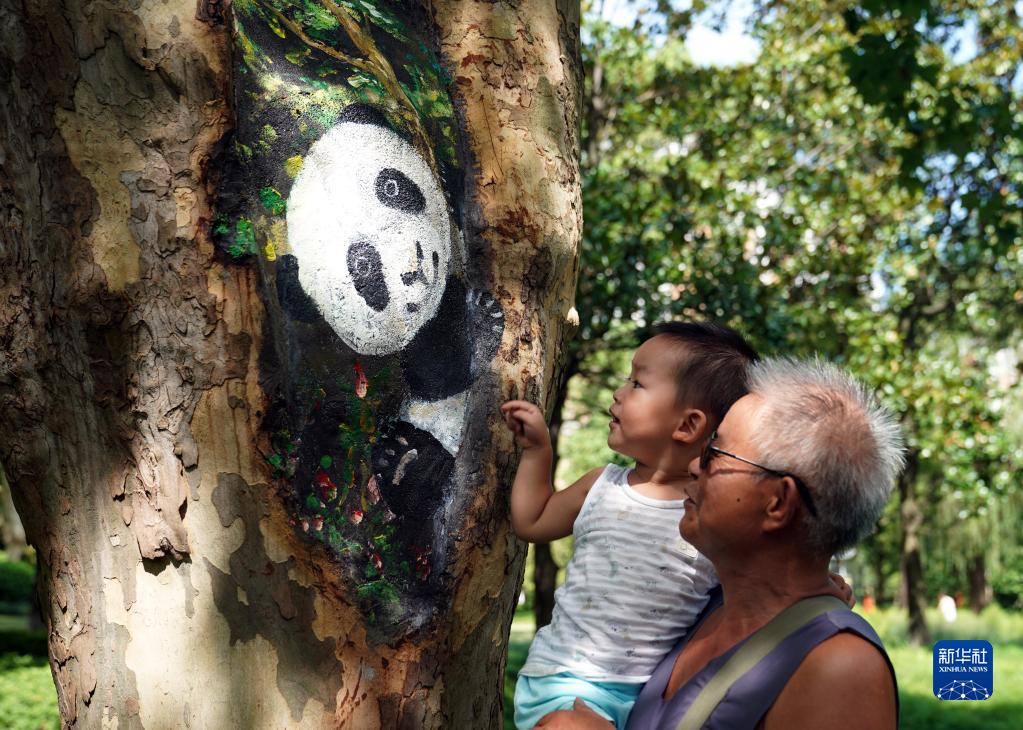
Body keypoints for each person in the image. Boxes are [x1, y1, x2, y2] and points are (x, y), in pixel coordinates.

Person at [535, 357, 905, 730]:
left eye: (716, 453)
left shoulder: (839, 668)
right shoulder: (699, 607)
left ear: (777, 503)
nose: (695, 464)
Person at [502, 322, 760, 729]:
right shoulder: (601, 485)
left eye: (637, 383)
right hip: (567, 684)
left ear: (687, 426)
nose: (618, 392)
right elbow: (531, 520)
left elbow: (761, 574)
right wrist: (537, 452)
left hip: (651, 702)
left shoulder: (708, 517)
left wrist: (816, 584)